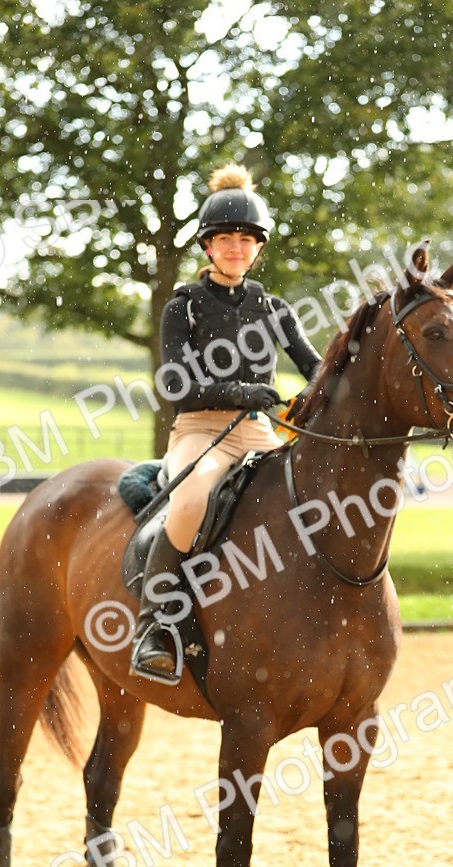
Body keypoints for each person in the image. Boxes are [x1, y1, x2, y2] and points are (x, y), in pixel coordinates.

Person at [131, 163, 322, 683]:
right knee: (192, 498)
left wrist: (318, 392)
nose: (236, 247)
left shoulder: (276, 309)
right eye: (224, 239)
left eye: (246, 239)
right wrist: (238, 391)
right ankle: (154, 625)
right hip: (199, 430)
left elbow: (317, 369)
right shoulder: (183, 307)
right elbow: (172, 386)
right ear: (208, 247)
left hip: (260, 432)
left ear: (258, 247)